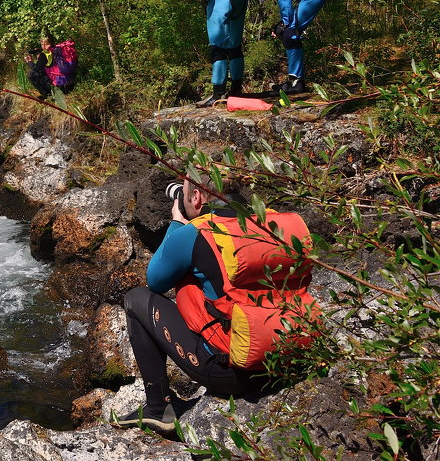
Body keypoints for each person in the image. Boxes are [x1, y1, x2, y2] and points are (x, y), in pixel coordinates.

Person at [114, 176, 316, 432]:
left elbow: (155, 281)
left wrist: (177, 223)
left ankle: (157, 409)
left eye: (185, 193)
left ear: (197, 197)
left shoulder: (196, 232)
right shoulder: (273, 224)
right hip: (286, 360)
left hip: (230, 373)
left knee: (136, 299)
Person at [23, 32, 76, 97]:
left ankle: (47, 95)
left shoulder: (45, 54)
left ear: (44, 44)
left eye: (41, 44)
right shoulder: (59, 49)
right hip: (71, 84)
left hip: (59, 88)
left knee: (31, 74)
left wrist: (29, 61)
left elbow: (36, 68)